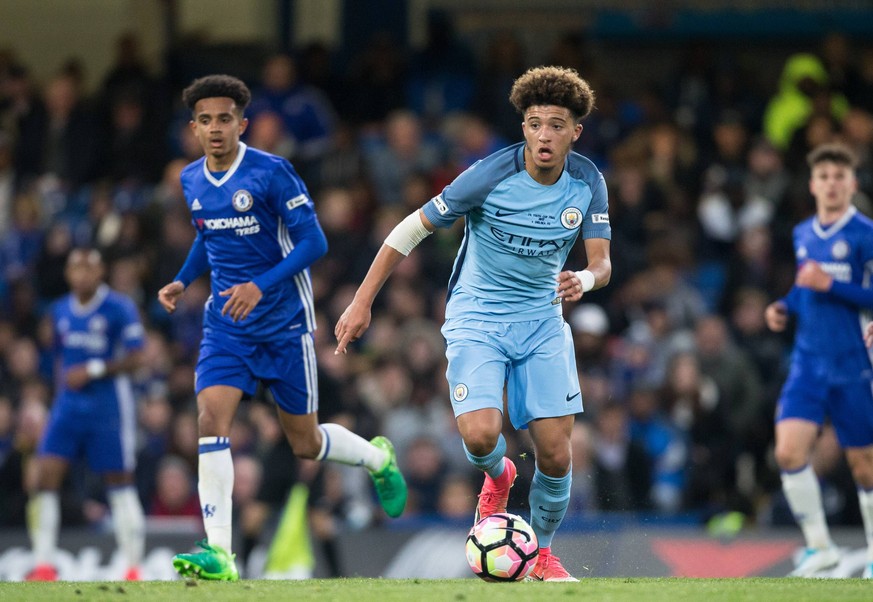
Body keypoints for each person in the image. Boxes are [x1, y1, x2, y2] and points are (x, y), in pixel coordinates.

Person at [335, 66, 611, 582]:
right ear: (523, 128)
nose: (544, 135)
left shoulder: (588, 182)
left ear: (576, 131)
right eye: (534, 124)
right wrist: (362, 301)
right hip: (477, 316)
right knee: (483, 437)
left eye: (556, 125)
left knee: (554, 451)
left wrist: (585, 282)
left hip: (543, 320)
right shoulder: (489, 175)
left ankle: (544, 555)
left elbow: (602, 263)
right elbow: (409, 228)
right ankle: (498, 476)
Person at [157, 74, 406, 582]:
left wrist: (259, 287)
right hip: (227, 325)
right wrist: (183, 280)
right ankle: (219, 553)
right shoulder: (190, 180)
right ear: (194, 128)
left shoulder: (272, 173)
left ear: (241, 123)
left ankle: (376, 458)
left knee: (305, 443)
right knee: (210, 418)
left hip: (284, 325)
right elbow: (208, 235)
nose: (215, 128)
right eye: (205, 120)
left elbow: (314, 243)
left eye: (224, 118)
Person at [765, 142, 873, 579]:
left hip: (851, 364)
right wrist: (784, 306)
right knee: (788, 452)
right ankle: (820, 549)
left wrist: (831, 285)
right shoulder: (803, 232)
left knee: (863, 463)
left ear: (851, 183)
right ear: (813, 184)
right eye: (824, 177)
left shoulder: (865, 234)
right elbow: (804, 285)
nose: (831, 184)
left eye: (839, 176)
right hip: (808, 362)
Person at [26, 248, 146, 581]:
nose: (81, 276)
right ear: (67, 274)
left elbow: (138, 358)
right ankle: (43, 564)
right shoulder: (60, 310)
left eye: (88, 269)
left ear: (100, 272)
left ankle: (133, 566)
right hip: (67, 406)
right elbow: (62, 360)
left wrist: (93, 369)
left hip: (108, 405)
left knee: (119, 482)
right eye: (75, 269)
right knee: (43, 476)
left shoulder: (119, 308)